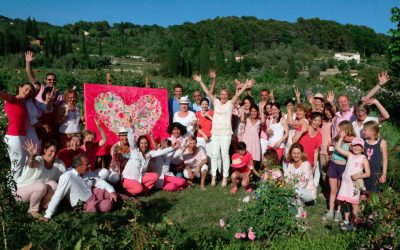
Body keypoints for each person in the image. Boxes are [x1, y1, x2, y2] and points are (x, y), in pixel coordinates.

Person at [193, 74, 254, 187]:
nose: (224, 96)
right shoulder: (215, 101)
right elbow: (207, 93)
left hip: (226, 134)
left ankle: (225, 178)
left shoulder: (230, 103)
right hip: (215, 133)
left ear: (228, 95)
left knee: (225, 155)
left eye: (226, 94)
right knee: (215, 154)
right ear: (219, 95)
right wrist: (201, 81)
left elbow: (238, 94)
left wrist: (245, 86)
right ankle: (214, 177)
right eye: (222, 94)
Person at [42, 153, 121, 220]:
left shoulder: (87, 171)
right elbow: (58, 195)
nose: (90, 165)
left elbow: (99, 181)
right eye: (87, 164)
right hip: (84, 205)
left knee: (109, 192)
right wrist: (48, 215)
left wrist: (112, 191)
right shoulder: (67, 176)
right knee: (108, 204)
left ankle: (126, 198)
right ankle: (116, 201)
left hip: (93, 194)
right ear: (77, 166)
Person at [121, 126, 180, 196]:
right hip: (128, 178)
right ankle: (126, 192)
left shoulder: (149, 153)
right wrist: (130, 127)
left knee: (155, 176)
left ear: (148, 144)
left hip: (139, 178)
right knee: (139, 189)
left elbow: (160, 152)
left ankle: (144, 191)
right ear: (139, 145)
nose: (144, 145)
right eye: (142, 143)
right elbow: (131, 140)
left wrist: (172, 148)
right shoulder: (135, 151)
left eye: (145, 143)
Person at [16, 140, 65, 217]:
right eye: (51, 151)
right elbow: (31, 164)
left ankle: (44, 207)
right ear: (45, 150)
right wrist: (32, 156)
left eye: (55, 152)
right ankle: (33, 210)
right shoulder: (39, 159)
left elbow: (64, 179)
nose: (53, 154)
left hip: (39, 193)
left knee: (54, 184)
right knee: (41, 186)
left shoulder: (59, 164)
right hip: (21, 192)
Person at [335, 134, 370, 231]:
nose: (357, 147)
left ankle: (354, 223)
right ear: (351, 146)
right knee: (345, 203)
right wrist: (341, 137)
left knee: (354, 205)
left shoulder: (363, 159)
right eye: (355, 145)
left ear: (362, 149)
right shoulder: (349, 155)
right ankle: (347, 221)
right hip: (345, 184)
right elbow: (337, 147)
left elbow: (368, 173)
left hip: (354, 186)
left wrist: (358, 176)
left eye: (359, 146)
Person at [323, 120, 356, 222]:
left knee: (340, 191)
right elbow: (333, 149)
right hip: (333, 165)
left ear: (346, 130)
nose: (339, 132)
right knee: (333, 190)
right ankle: (331, 211)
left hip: (343, 168)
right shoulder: (338, 139)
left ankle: (338, 212)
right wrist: (330, 149)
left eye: (341, 130)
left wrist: (337, 128)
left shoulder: (351, 142)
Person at [1, 82, 34, 180]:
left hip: (22, 136)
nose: (28, 92)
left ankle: (12, 187)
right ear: (20, 88)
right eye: (26, 89)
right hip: (13, 135)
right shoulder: (12, 99)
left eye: (30, 91)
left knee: (20, 162)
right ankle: (13, 191)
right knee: (17, 162)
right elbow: (2, 93)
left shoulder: (22, 103)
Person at [285, 143, 317, 216]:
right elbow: (287, 178)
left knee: (296, 191)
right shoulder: (290, 164)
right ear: (291, 153)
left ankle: (298, 216)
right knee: (289, 195)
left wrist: (291, 188)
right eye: (294, 153)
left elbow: (304, 182)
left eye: (298, 153)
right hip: (295, 191)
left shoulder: (306, 164)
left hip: (308, 192)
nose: (296, 155)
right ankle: (291, 213)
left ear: (302, 153)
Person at [292, 112, 323, 187]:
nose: (317, 123)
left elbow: (316, 151)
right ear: (311, 120)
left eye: (319, 121)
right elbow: (293, 141)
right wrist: (302, 131)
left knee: (305, 183)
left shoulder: (319, 135)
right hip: (298, 159)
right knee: (295, 181)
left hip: (309, 162)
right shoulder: (303, 128)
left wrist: (315, 164)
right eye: (315, 120)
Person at [362, 121, 388, 193]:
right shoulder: (363, 142)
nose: (363, 132)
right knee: (362, 193)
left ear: (372, 132)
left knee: (373, 195)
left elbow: (385, 159)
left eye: (365, 130)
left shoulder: (382, 142)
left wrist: (384, 174)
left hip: (375, 172)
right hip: (364, 171)